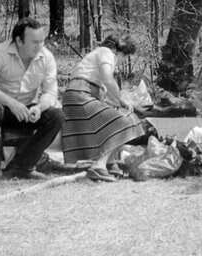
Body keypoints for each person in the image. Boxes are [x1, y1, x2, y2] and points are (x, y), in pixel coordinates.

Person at [0, 17, 65, 185]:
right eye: (34, 42)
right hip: (2, 107)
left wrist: (39, 107)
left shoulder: (46, 57)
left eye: (42, 41)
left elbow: (50, 92)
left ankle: (23, 166)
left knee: (57, 116)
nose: (39, 46)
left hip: (28, 110)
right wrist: (12, 103)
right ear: (19, 40)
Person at [61, 34, 145, 182]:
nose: (122, 62)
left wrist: (120, 103)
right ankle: (99, 166)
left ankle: (110, 162)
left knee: (128, 117)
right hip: (80, 96)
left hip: (79, 96)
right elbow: (108, 78)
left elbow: (103, 90)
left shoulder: (97, 56)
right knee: (124, 120)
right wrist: (122, 100)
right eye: (124, 57)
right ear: (119, 51)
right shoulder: (106, 53)